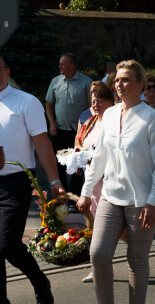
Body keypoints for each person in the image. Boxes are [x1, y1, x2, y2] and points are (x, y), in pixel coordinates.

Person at [76, 60, 155, 304]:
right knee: (98, 254)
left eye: (125, 79)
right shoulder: (109, 114)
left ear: (140, 83)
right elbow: (99, 157)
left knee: (137, 259)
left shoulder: (151, 119)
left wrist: (152, 202)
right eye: (117, 79)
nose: (119, 84)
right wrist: (86, 191)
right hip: (110, 195)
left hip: (141, 200)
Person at [0, 55, 65, 304]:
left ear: (8, 71)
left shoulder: (25, 101)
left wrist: (54, 181)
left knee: (7, 244)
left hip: (16, 182)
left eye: (0, 69)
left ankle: (40, 281)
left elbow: (41, 143)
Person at [74, 82, 119, 284]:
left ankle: (136, 257)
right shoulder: (90, 122)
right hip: (91, 183)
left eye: (101, 99)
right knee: (93, 226)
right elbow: (80, 144)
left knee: (108, 229)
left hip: (110, 182)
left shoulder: (115, 122)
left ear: (111, 101)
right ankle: (97, 268)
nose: (96, 103)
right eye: (93, 99)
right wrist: (76, 158)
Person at [45, 52, 92, 192]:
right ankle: (63, 195)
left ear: (72, 66)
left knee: (77, 165)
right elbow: (48, 104)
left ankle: (75, 198)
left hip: (78, 132)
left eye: (63, 64)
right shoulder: (56, 81)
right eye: (60, 63)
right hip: (59, 130)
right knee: (58, 165)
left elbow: (92, 106)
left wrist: (87, 127)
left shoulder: (86, 82)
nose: (60, 66)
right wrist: (52, 123)